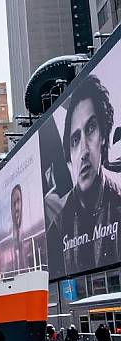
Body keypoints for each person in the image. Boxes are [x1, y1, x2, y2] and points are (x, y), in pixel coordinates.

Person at [52, 74, 121, 275]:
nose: (83, 151)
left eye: (90, 129)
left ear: (103, 137)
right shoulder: (57, 228)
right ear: (69, 157)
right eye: (75, 140)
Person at [10, 184, 26, 271]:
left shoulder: (28, 235)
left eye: (18, 201)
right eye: (14, 203)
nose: (16, 208)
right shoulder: (11, 241)